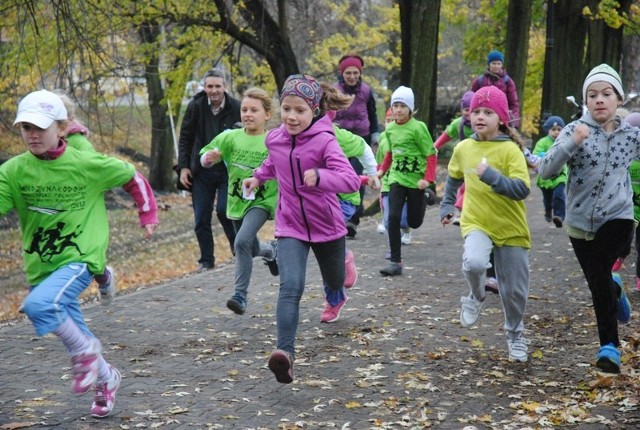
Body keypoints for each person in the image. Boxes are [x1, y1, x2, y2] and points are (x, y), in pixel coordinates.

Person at [1, 89, 159, 417]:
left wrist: (147, 212)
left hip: (80, 255)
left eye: (39, 127)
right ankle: (106, 377)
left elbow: (132, 176)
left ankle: (87, 350)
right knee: (65, 322)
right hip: (41, 264)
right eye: (25, 127)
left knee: (39, 306)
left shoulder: (84, 160)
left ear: (61, 128)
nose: (31, 134)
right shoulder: (13, 171)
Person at [243, 74, 360, 383]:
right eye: (287, 109)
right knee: (290, 287)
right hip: (291, 225)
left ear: (314, 111)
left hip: (327, 226)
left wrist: (321, 177)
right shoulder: (274, 138)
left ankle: (345, 264)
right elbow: (273, 162)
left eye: (300, 111)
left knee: (335, 281)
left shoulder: (325, 140)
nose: (292, 117)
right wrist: (258, 177)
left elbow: (349, 180)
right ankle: (285, 355)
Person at [538, 64, 639, 374]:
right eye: (592, 95)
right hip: (580, 223)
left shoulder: (632, 136)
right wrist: (572, 143)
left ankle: (609, 347)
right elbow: (545, 170)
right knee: (600, 282)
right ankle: (615, 288)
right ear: (585, 100)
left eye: (606, 94)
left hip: (619, 216)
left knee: (598, 280)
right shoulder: (573, 131)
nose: (599, 100)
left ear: (619, 99)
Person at [439, 86, 532, 362]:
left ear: (501, 118)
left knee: (514, 292)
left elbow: (522, 189)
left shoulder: (510, 150)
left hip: (511, 227)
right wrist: (446, 206)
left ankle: (515, 332)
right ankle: (476, 295)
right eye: (476, 111)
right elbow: (454, 177)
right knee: (475, 263)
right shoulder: (464, 148)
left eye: (488, 112)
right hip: (476, 221)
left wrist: (492, 176)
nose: (479, 116)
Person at [199, 87, 278, 315]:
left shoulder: (272, 140)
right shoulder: (230, 137)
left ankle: (240, 295)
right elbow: (205, 155)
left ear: (267, 115)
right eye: (244, 109)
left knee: (241, 242)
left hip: (263, 200)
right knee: (250, 247)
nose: (248, 114)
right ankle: (270, 251)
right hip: (237, 201)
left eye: (254, 110)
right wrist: (208, 158)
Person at [54, 90, 116, 305]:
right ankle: (51, 295)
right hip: (57, 206)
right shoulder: (42, 144)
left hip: (83, 207)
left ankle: (105, 277)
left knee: (92, 260)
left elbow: (97, 172)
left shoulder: (81, 145)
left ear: (68, 121)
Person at [177, 69, 239, 272]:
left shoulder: (236, 107)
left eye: (217, 86)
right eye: (210, 86)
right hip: (201, 170)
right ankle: (206, 260)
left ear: (225, 87)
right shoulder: (196, 106)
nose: (213, 91)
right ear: (205, 87)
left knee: (224, 211)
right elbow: (185, 137)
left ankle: (238, 249)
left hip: (227, 171)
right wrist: (183, 167)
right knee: (201, 217)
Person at [323, 112, 379, 323]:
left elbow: (363, 147)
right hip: (314, 200)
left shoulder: (336, 135)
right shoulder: (291, 134)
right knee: (322, 248)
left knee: (328, 242)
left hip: (343, 199)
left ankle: (343, 258)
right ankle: (335, 297)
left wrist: (372, 172)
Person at [376, 86, 437, 276]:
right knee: (392, 218)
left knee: (414, 221)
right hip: (396, 178)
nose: (399, 110)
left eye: (403, 106)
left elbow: (431, 154)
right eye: (396, 105)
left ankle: (425, 196)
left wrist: (428, 180)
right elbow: (390, 154)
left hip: (417, 181)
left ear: (410, 109)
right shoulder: (391, 129)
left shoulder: (418, 128)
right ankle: (395, 262)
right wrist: (381, 171)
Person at [333, 54, 380, 238]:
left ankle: (352, 219)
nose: (352, 76)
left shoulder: (366, 91)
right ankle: (340, 214)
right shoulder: (335, 91)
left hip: (362, 137)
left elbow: (373, 114)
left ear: (360, 73)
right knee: (341, 176)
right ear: (341, 73)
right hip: (340, 140)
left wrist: (375, 134)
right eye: (348, 73)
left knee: (356, 177)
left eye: (355, 73)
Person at [434, 91, 475, 225]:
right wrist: (434, 148)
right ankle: (454, 211)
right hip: (463, 159)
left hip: (478, 159)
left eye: (471, 110)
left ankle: (461, 210)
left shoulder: (481, 123)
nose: (467, 113)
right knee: (456, 185)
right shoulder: (458, 124)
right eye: (465, 110)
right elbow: (445, 136)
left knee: (468, 186)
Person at [376, 108, 412, 251]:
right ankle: (394, 248)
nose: (390, 123)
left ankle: (407, 231)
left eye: (393, 120)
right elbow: (380, 161)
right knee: (390, 218)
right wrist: (377, 174)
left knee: (403, 220)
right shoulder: (383, 139)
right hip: (387, 184)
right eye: (387, 121)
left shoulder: (406, 137)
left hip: (403, 181)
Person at [613, 112, 640, 289]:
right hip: (627, 209)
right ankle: (619, 255)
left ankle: (639, 277)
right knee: (623, 237)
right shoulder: (623, 157)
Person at [531, 115, 566, 227]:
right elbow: (536, 154)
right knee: (548, 199)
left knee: (559, 195)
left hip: (560, 174)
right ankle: (548, 209)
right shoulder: (543, 142)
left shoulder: (564, 141)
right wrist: (547, 155)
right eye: (553, 129)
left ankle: (559, 216)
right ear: (548, 130)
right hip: (546, 176)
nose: (556, 132)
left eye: (559, 129)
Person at [470, 50, 520, 128]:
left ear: (502, 65)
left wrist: (514, 121)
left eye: (498, 63)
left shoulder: (507, 81)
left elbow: (514, 103)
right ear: (489, 64)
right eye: (493, 63)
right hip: (484, 117)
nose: (496, 66)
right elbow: (471, 99)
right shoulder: (480, 80)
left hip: (502, 119)